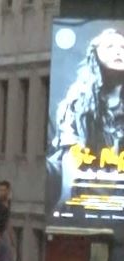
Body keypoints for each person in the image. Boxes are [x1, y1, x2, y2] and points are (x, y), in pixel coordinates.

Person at [49, 28, 124, 208]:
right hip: (86, 179)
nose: (118, 50)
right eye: (110, 46)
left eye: (123, 46)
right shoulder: (79, 98)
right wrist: (68, 198)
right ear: (95, 55)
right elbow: (72, 152)